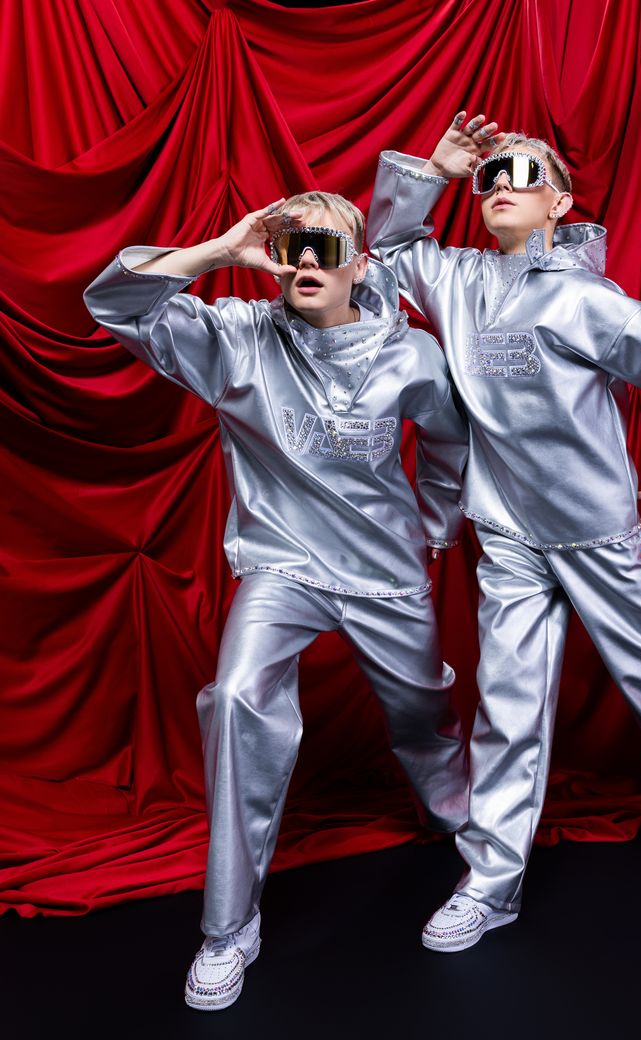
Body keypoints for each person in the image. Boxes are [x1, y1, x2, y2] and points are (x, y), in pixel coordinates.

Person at [367, 112, 641, 954]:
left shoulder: (590, 300)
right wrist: (436, 170)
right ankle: (489, 882)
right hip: (509, 532)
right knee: (509, 705)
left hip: (597, 530)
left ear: (558, 203)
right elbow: (392, 245)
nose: (502, 186)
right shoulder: (457, 279)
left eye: (522, 175)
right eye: (493, 177)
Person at [84, 190, 470, 1006]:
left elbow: (446, 440)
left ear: (361, 267)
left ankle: (453, 811)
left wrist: (434, 526)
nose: (304, 262)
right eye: (293, 246)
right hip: (281, 565)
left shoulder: (413, 357)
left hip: (384, 572)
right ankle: (228, 927)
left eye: (326, 248)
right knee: (236, 701)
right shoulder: (237, 341)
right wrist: (223, 252)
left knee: (421, 711)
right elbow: (113, 300)